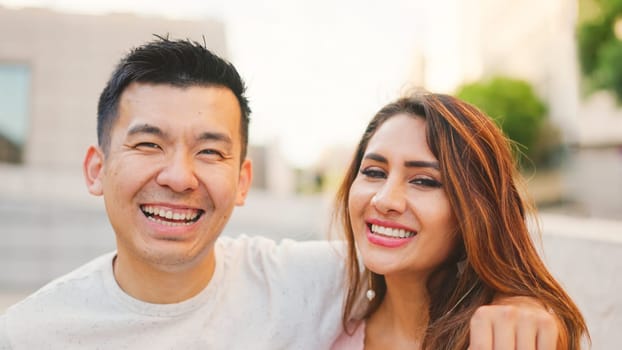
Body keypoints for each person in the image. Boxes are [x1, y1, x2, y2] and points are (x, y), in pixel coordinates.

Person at [0, 36, 562, 349]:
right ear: (96, 169)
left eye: (211, 151)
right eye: (149, 145)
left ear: (243, 181)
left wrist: (524, 305)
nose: (177, 176)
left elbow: (431, 269)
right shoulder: (32, 334)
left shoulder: (308, 284)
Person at [330, 92, 590, 349]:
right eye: (374, 172)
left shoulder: (510, 336)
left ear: (475, 211)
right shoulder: (316, 326)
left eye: (424, 181)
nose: (384, 200)